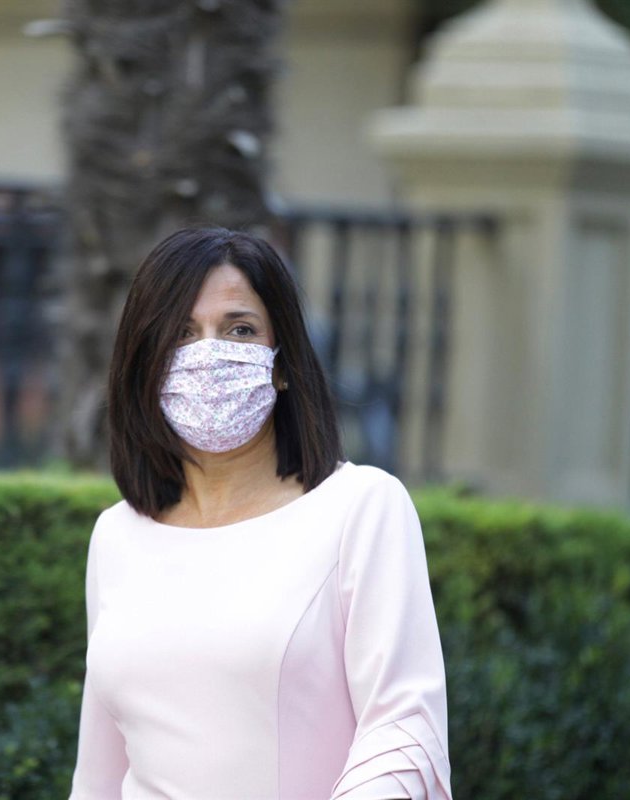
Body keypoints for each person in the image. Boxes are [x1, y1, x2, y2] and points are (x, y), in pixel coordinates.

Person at [69, 227, 451, 799]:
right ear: (146, 363)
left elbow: (404, 727)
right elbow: (97, 776)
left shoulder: (361, 508)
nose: (207, 354)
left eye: (239, 329)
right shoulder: (116, 535)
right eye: (180, 333)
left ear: (282, 362)